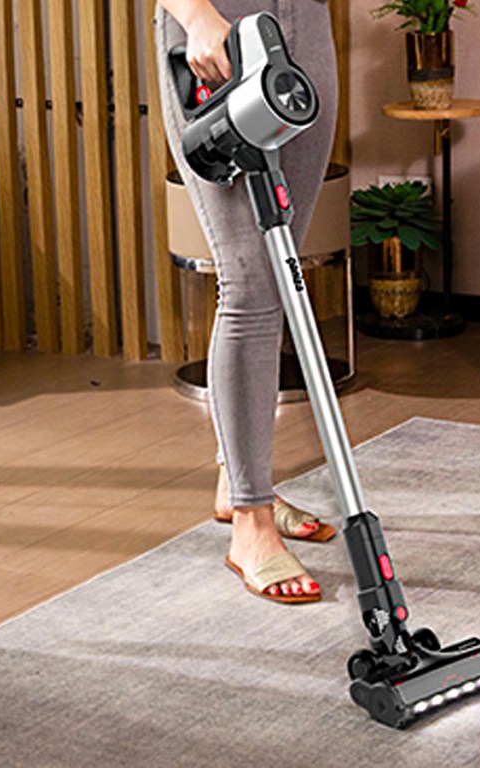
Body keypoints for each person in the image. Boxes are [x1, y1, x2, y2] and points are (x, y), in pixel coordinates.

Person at [155, 0, 338, 603]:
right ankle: (251, 521)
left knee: (278, 274)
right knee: (251, 284)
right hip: (215, 27)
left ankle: (236, 481)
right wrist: (199, 17)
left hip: (307, 26)